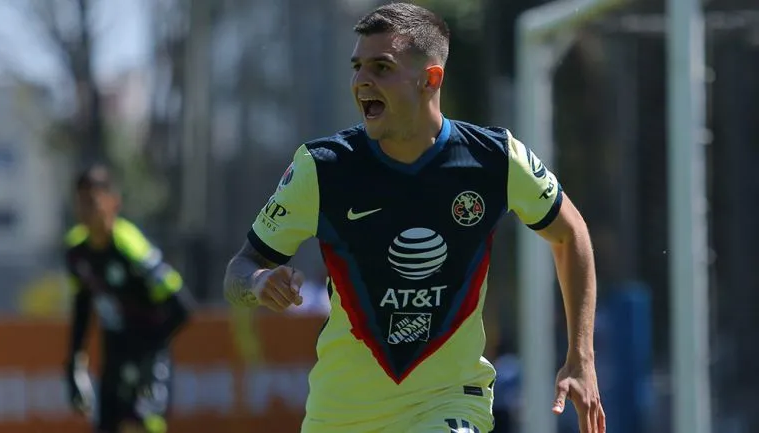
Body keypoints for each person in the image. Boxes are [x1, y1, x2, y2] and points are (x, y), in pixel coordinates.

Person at [223, 3, 605, 433]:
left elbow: (570, 233)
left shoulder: (495, 159)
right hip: (342, 412)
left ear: (430, 79)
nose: (362, 80)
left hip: (448, 402)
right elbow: (240, 269)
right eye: (357, 67)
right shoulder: (321, 168)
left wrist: (581, 358)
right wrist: (259, 283)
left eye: (381, 67)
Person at [63, 164, 192, 433]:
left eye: (93, 202)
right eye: (80, 203)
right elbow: (82, 306)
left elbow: (181, 306)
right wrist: (74, 363)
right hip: (113, 359)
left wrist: (148, 353)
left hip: (148, 358)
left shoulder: (130, 246)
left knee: (141, 426)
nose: (86, 211)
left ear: (113, 202)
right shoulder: (77, 252)